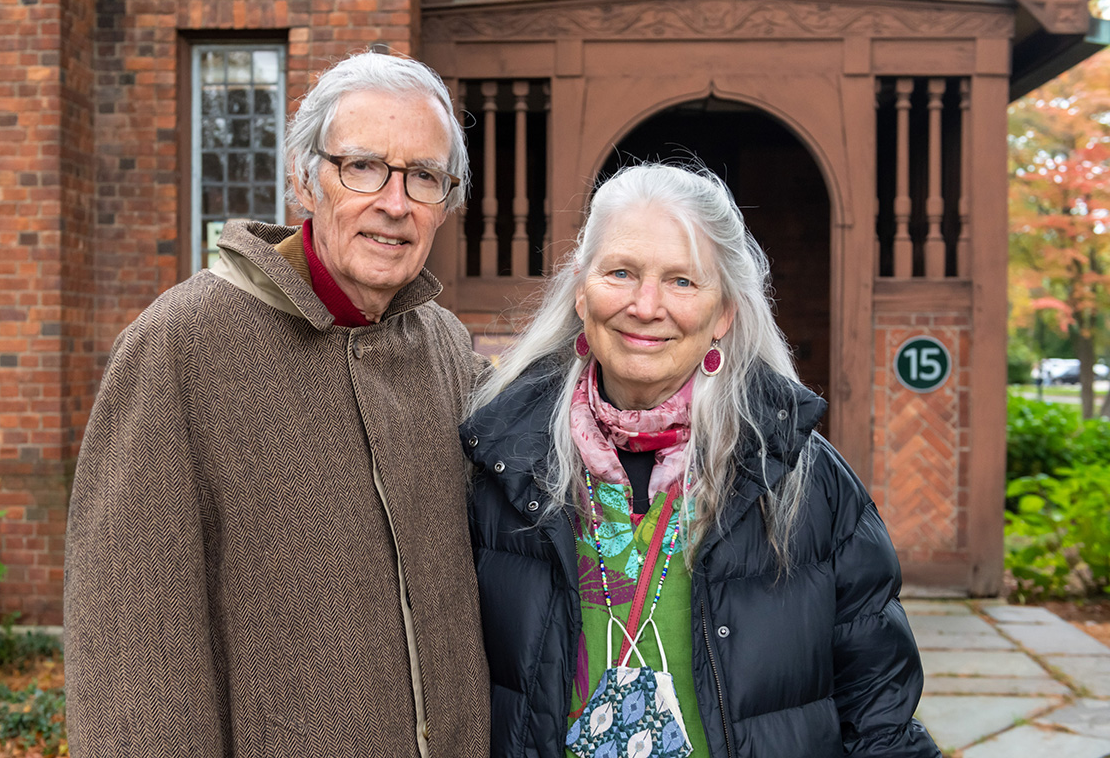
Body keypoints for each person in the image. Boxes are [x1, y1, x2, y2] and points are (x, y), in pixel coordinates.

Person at [64, 52, 489, 757]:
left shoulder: (444, 347)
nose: (395, 201)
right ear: (302, 179)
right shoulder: (182, 346)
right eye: (362, 166)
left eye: (424, 176)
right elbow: (128, 647)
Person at [462, 163, 941, 758]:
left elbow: (880, 716)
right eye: (621, 272)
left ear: (724, 314)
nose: (646, 306)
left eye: (683, 282)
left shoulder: (800, 477)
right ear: (582, 292)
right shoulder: (503, 464)